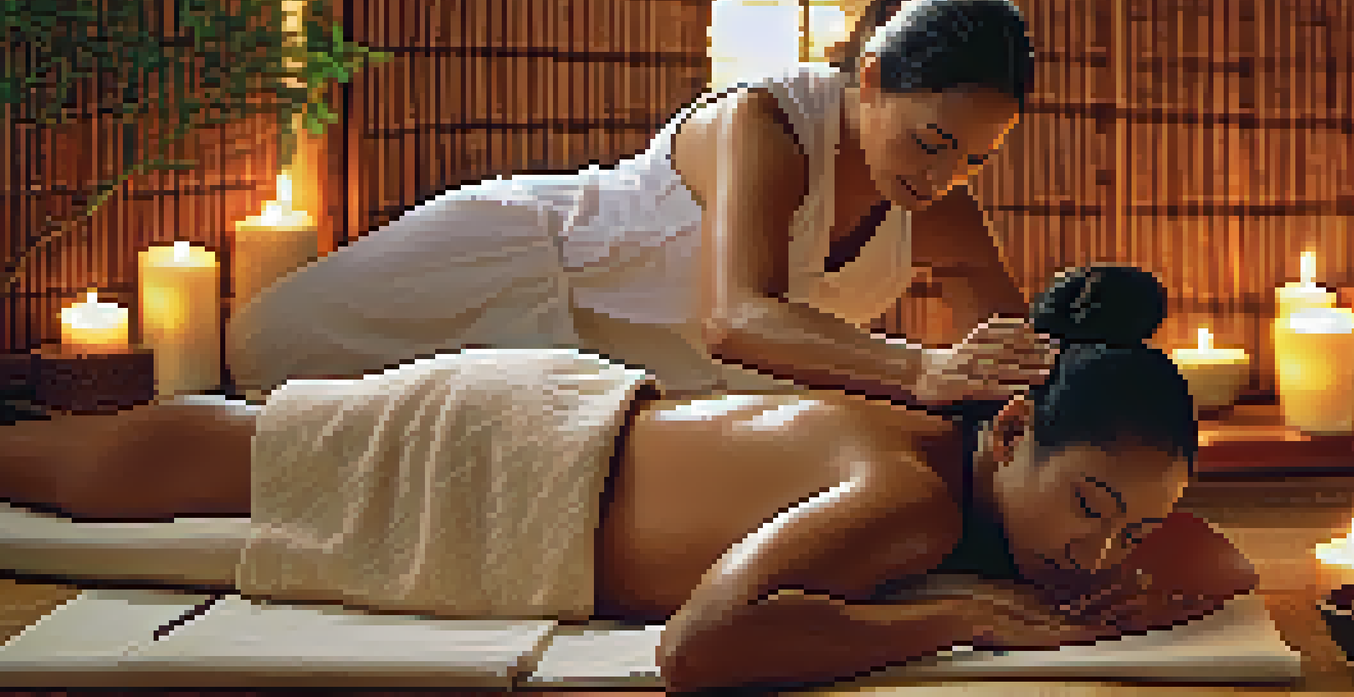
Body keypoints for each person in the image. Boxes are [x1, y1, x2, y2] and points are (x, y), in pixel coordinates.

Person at [0, 265, 1258, 693]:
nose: (1101, 554)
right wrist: (966, 616)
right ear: (1009, 432)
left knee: (193, 449)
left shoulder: (996, 486)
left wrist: (1122, 547)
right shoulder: (915, 495)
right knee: (113, 468)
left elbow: (1225, 561)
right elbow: (699, 650)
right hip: (503, 453)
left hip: (561, 428)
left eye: (1132, 525)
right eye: (1092, 509)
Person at [225, 0, 1046, 409]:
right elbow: (736, 318)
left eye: (974, 158)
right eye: (930, 142)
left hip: (604, 388)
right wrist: (921, 370)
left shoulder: (942, 213)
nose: (943, 177)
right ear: (870, 80)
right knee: (265, 357)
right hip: (517, 266)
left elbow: (1020, 364)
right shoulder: (768, 126)